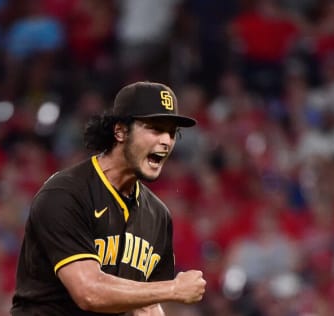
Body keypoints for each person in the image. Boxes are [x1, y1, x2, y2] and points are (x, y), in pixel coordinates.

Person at [11, 81, 207, 315]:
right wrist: (174, 288)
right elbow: (88, 292)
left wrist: (161, 296)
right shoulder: (66, 194)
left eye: (172, 133)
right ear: (120, 131)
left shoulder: (158, 215)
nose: (166, 141)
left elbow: (146, 303)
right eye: (155, 128)